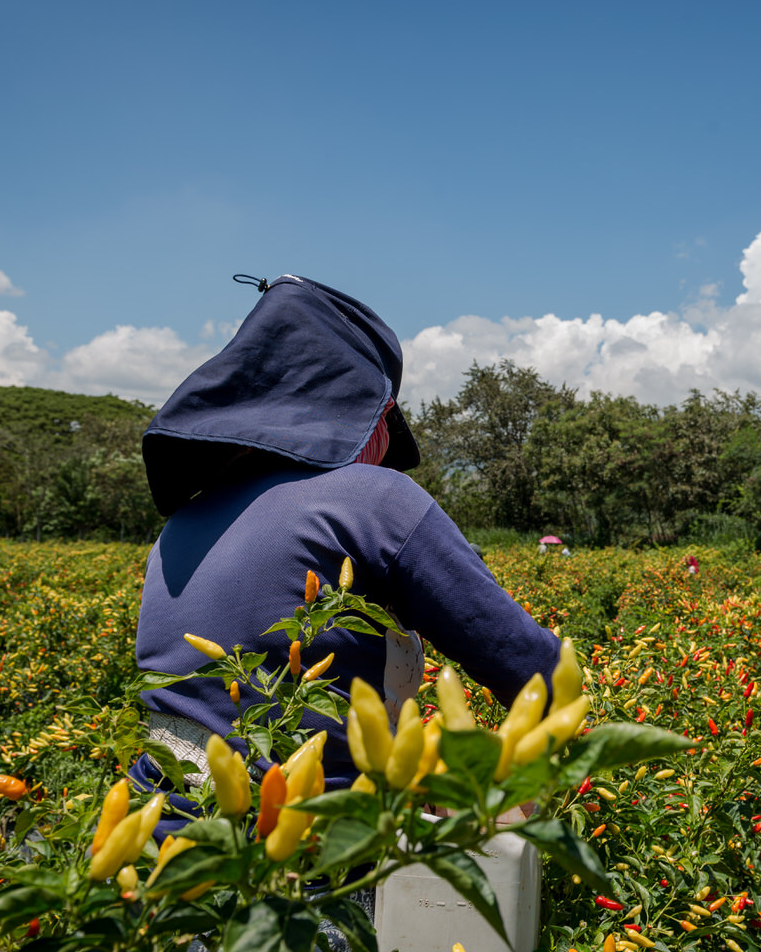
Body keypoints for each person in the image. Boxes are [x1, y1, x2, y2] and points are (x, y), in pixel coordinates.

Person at [130, 274, 560, 818]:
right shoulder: (374, 498)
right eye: (383, 420)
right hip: (306, 855)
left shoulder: (182, 523)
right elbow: (528, 665)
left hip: (151, 838)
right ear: (365, 421)